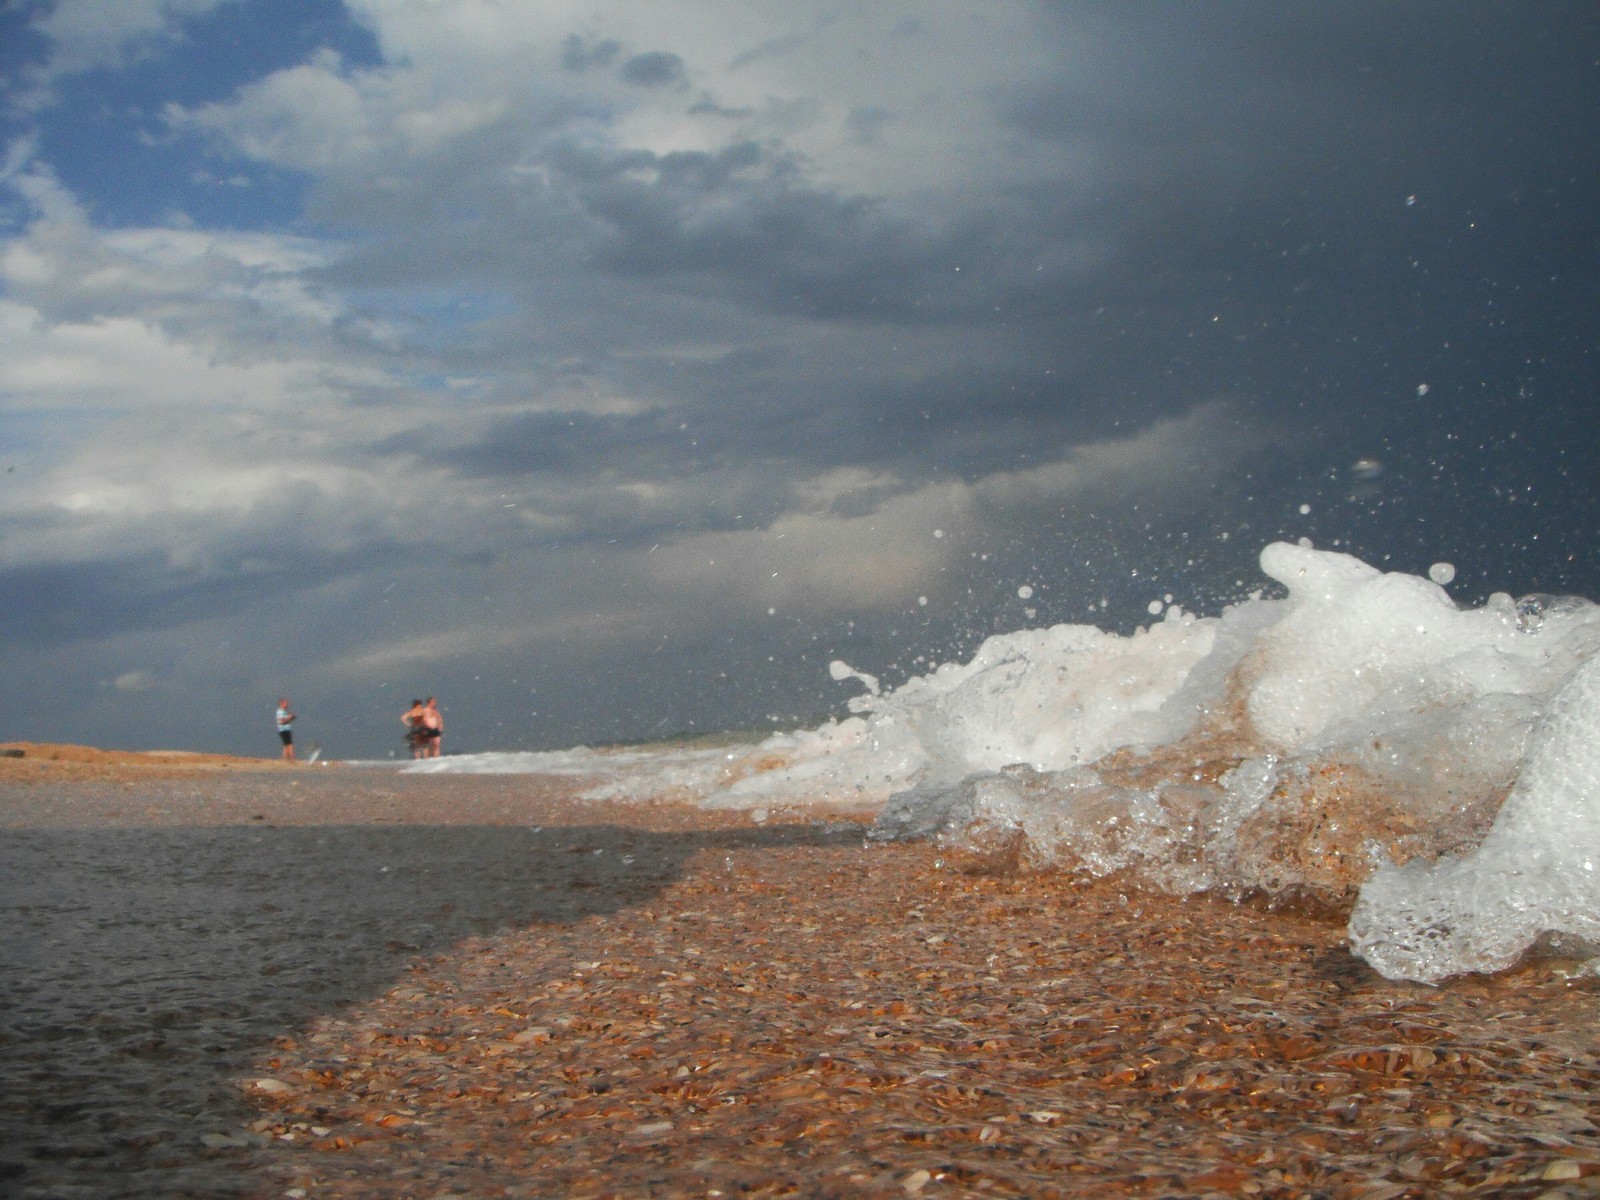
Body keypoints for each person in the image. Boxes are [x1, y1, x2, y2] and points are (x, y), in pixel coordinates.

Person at [275, 698, 296, 762]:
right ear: (282, 704)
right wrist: (289, 718)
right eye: (285, 703)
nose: (287, 705)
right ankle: (291, 759)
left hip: (286, 729)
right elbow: (281, 721)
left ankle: (286, 758)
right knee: (289, 745)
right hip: (283, 730)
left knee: (287, 745)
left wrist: (291, 718)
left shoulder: (284, 711)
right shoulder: (280, 711)